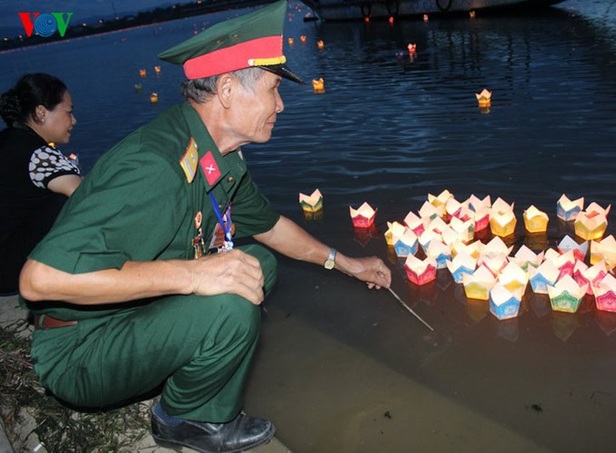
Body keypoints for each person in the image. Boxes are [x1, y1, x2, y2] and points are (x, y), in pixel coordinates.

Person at [19, 2, 391, 452]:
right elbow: (40, 280)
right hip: (80, 351)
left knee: (258, 264)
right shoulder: (157, 165)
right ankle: (185, 420)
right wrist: (197, 276)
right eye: (274, 89)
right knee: (231, 303)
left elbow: (271, 226)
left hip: (126, 313)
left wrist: (349, 264)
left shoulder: (219, 154)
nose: (281, 104)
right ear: (229, 89)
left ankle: (197, 364)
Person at [0, 73, 81, 295]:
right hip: (10, 271)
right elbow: (84, 194)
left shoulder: (8, 140)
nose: (73, 121)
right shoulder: (38, 153)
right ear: (41, 112)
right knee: (69, 201)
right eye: (69, 112)